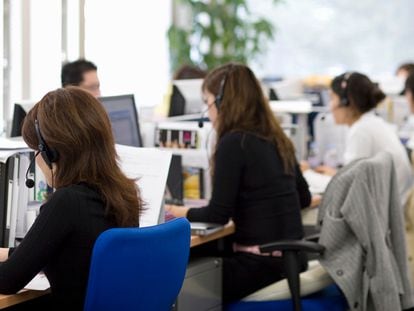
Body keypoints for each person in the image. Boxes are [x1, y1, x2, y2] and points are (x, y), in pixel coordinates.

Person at [166, 62, 312, 303]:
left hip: (259, 268)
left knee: (180, 286)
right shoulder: (277, 137)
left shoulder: (234, 142)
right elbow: (304, 198)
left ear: (223, 102)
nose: (208, 111)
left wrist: (177, 211)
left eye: (208, 102)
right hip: (292, 262)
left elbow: (217, 215)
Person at [0, 87, 142, 310]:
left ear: (52, 153)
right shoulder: (122, 193)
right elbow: (71, 249)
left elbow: (7, 280)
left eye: (36, 152)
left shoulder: (67, 202)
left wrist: (15, 261)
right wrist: (10, 253)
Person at [316, 72, 413, 204]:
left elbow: (349, 185)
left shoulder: (361, 130)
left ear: (347, 102)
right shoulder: (370, 122)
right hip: (392, 205)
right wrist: (334, 173)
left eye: (332, 99)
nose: (330, 106)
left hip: (387, 210)